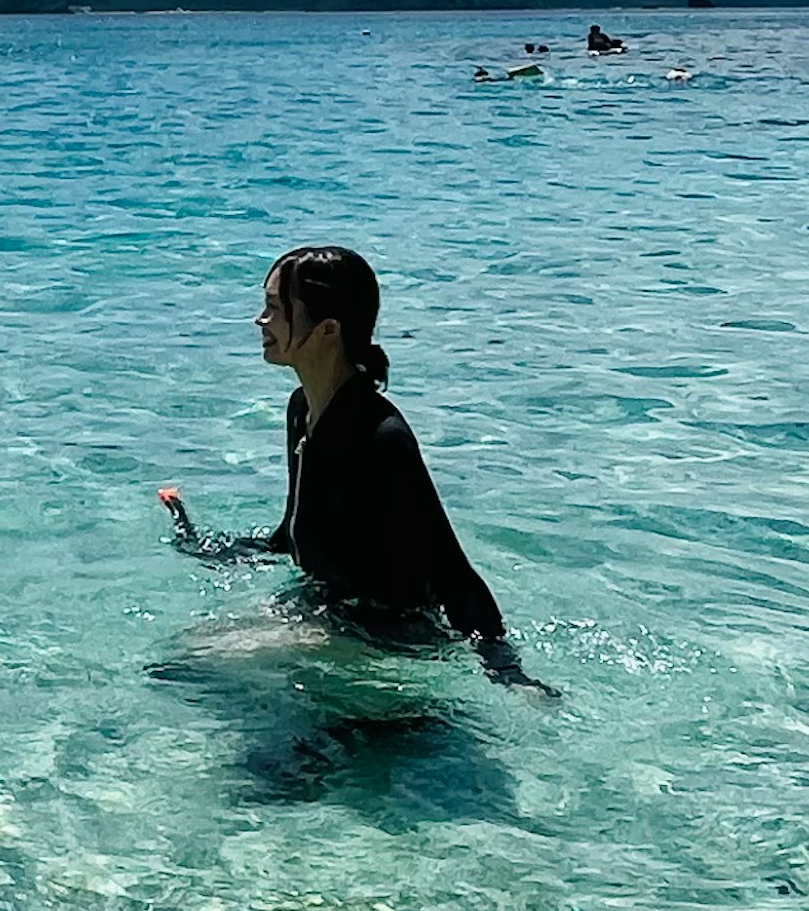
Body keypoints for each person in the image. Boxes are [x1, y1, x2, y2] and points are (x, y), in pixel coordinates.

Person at [159, 244, 538, 682]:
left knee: (189, 665)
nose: (261, 322)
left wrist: (507, 670)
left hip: (382, 634)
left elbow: (452, 572)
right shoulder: (302, 410)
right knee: (182, 662)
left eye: (275, 309)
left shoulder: (382, 436)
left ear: (327, 329)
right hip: (323, 613)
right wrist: (204, 543)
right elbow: (292, 536)